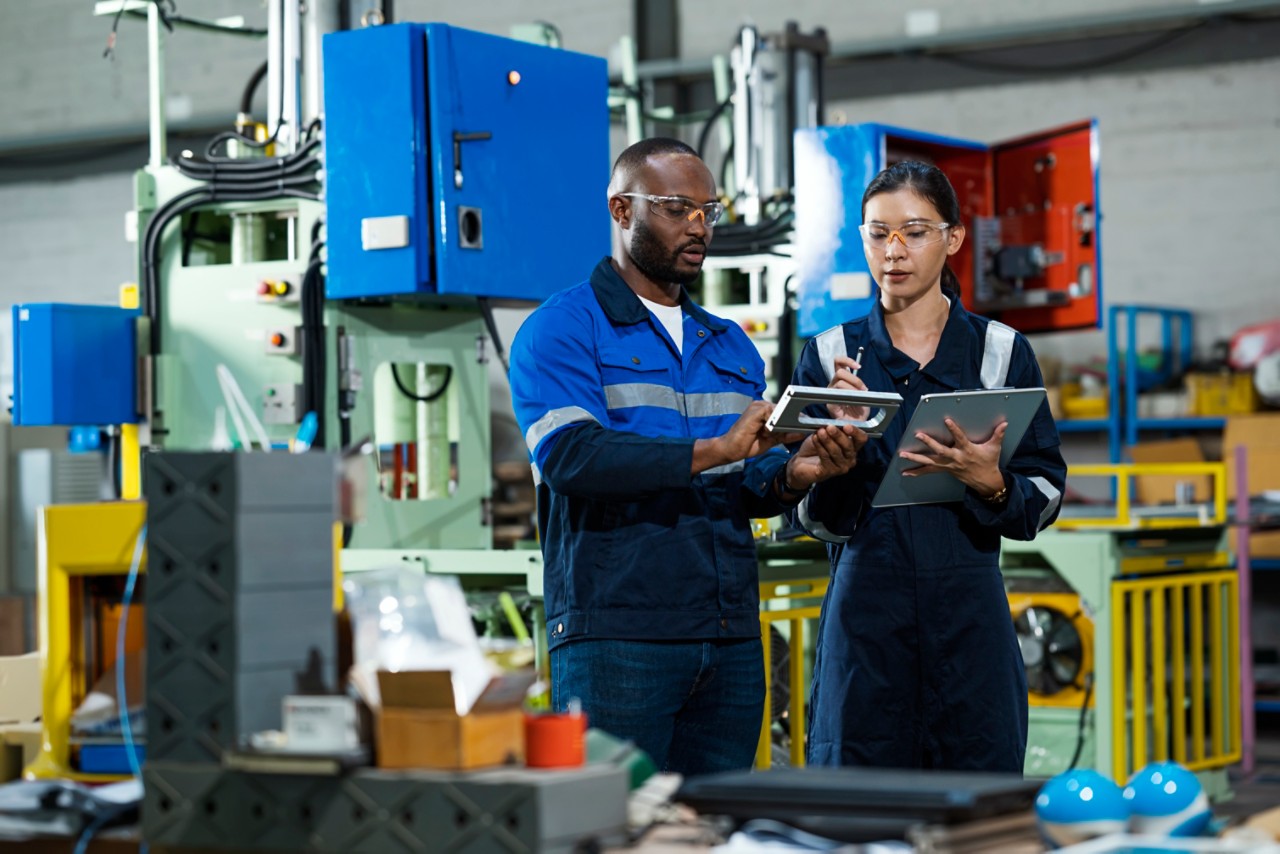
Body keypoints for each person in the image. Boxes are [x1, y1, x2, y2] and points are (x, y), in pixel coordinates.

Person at [509, 137, 861, 775]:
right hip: (618, 635)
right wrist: (714, 449)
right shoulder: (561, 329)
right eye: (677, 208)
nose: (698, 226)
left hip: (728, 635)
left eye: (708, 211)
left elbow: (743, 482)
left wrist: (796, 471)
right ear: (621, 211)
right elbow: (573, 457)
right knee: (613, 829)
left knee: (711, 827)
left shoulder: (727, 344)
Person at [788, 160, 1067, 773]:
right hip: (865, 622)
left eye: (914, 231)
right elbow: (808, 513)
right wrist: (833, 465)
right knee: (862, 805)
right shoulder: (831, 357)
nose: (894, 250)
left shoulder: (1001, 353)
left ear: (954, 239)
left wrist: (992, 484)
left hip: (969, 617)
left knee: (977, 802)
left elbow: (1045, 490)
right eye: (877, 233)